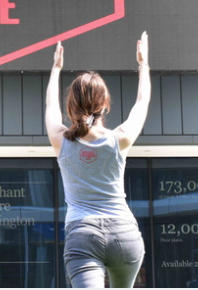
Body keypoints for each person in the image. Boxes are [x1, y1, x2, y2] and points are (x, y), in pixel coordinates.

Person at [45, 33, 151, 288]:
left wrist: (55, 69)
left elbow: (50, 106)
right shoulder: (120, 139)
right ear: (105, 105)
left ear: (71, 105)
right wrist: (143, 63)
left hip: (83, 234)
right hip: (124, 235)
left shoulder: (61, 140)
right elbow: (142, 102)